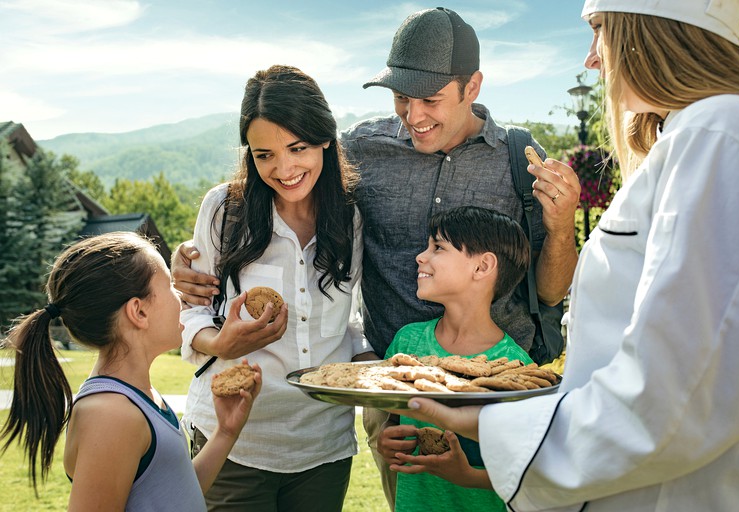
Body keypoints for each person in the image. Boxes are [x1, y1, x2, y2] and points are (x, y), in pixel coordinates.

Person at [171, 10, 580, 508]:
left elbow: (551, 291)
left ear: (472, 85)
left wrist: (561, 228)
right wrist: (192, 267)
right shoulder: (361, 150)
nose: (413, 115)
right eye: (402, 98)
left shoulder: (519, 157)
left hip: (495, 390)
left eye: (430, 99)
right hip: (391, 391)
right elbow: (283, 169)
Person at [393, 0, 739, 510]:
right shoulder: (697, 135)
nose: (592, 59)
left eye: (599, 31)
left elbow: (672, 402)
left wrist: (490, 419)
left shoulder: (720, 135)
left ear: (652, 33)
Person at [179, 64, 368, 511]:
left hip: (323, 445)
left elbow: (350, 318)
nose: (283, 168)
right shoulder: (224, 209)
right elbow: (193, 309)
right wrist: (219, 341)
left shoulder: (350, 217)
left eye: (297, 147)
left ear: (325, 138)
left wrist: (378, 372)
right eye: (264, 155)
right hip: (234, 442)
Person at [0, 232, 261, 511]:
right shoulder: (110, 416)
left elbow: (175, 495)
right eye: (171, 288)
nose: (182, 300)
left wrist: (225, 432)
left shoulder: (138, 397)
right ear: (139, 312)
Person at [377, 206, 533, 512]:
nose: (421, 256)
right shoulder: (406, 342)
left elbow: (527, 469)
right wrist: (387, 441)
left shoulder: (516, 368)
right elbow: (393, 419)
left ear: (482, 267)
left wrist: (467, 476)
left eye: (438, 247)